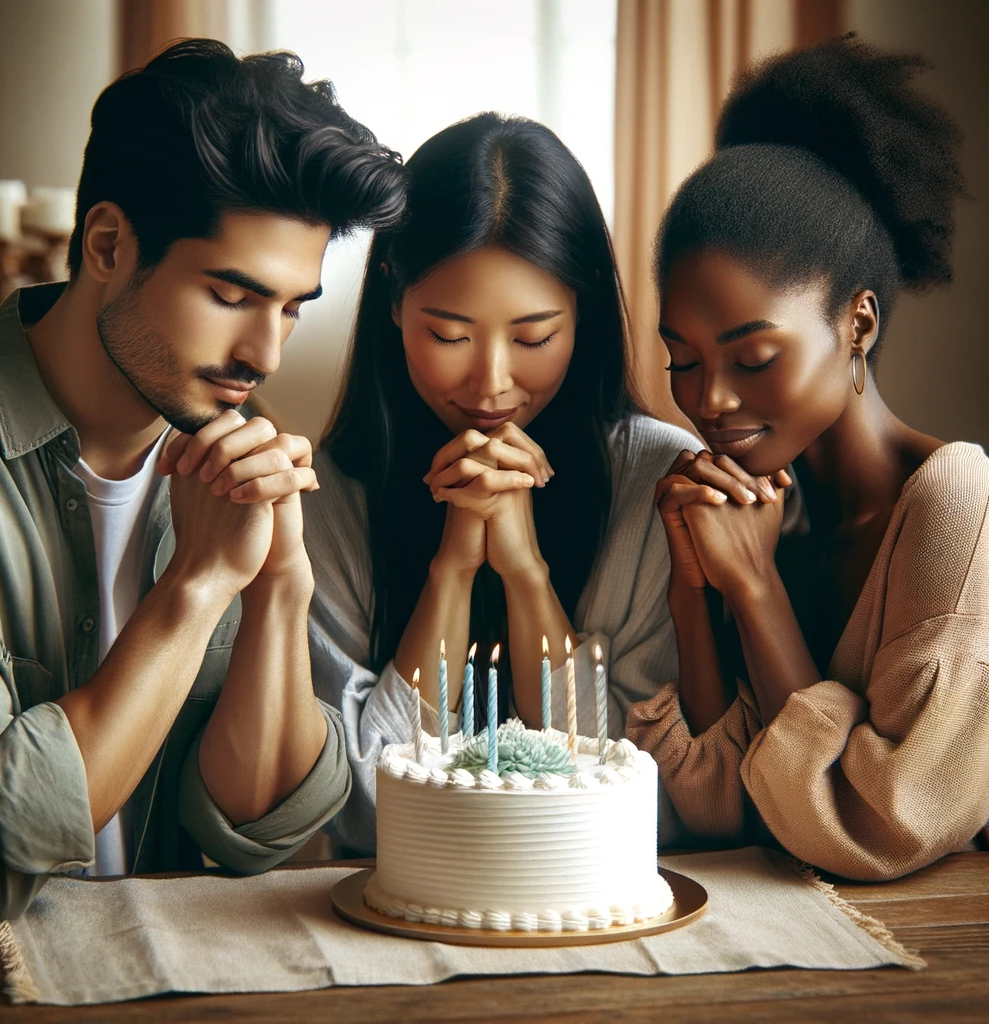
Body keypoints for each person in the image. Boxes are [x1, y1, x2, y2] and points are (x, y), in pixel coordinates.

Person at [0, 39, 406, 924]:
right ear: (107, 243)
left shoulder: (230, 461)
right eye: (233, 295)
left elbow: (256, 828)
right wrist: (197, 587)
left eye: (290, 307)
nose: (265, 354)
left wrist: (279, 582)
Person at [627, 35, 989, 881]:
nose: (709, 402)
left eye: (753, 359)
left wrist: (755, 592)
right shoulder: (764, 505)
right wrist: (695, 585)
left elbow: (880, 826)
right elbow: (724, 809)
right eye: (682, 360)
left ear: (857, 323)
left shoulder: (956, 506)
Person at [303, 111, 699, 854]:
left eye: (534, 337)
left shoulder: (660, 481)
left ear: (583, 311)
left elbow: (621, 798)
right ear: (393, 302)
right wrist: (453, 567)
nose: (491, 384)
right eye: (449, 335)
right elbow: (359, 811)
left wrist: (524, 571)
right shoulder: (331, 492)